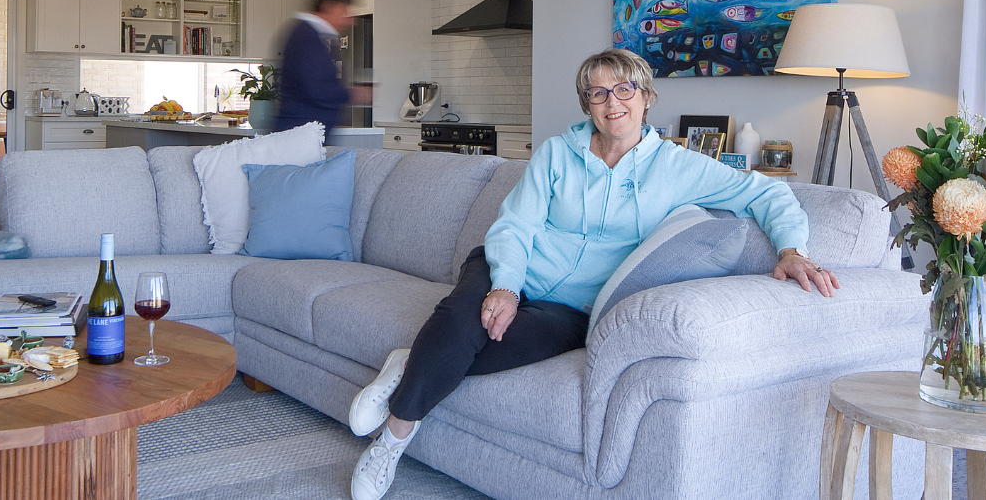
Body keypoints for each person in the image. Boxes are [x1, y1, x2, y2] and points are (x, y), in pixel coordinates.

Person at [347, 48, 839, 500]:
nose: (613, 102)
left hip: (573, 309)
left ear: (646, 98)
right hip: (506, 269)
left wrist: (792, 250)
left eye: (625, 89)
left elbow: (766, 193)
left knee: (483, 344)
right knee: (463, 321)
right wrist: (505, 287)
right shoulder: (557, 154)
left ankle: (407, 365)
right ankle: (393, 439)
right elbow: (516, 224)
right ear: (587, 104)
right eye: (599, 93)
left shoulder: (678, 166)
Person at [274, 0, 371, 131]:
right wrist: (352, 94)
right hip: (299, 138)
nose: (351, 21)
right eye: (345, 12)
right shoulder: (306, 37)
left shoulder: (311, 35)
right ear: (328, 6)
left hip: (304, 136)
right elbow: (315, 89)